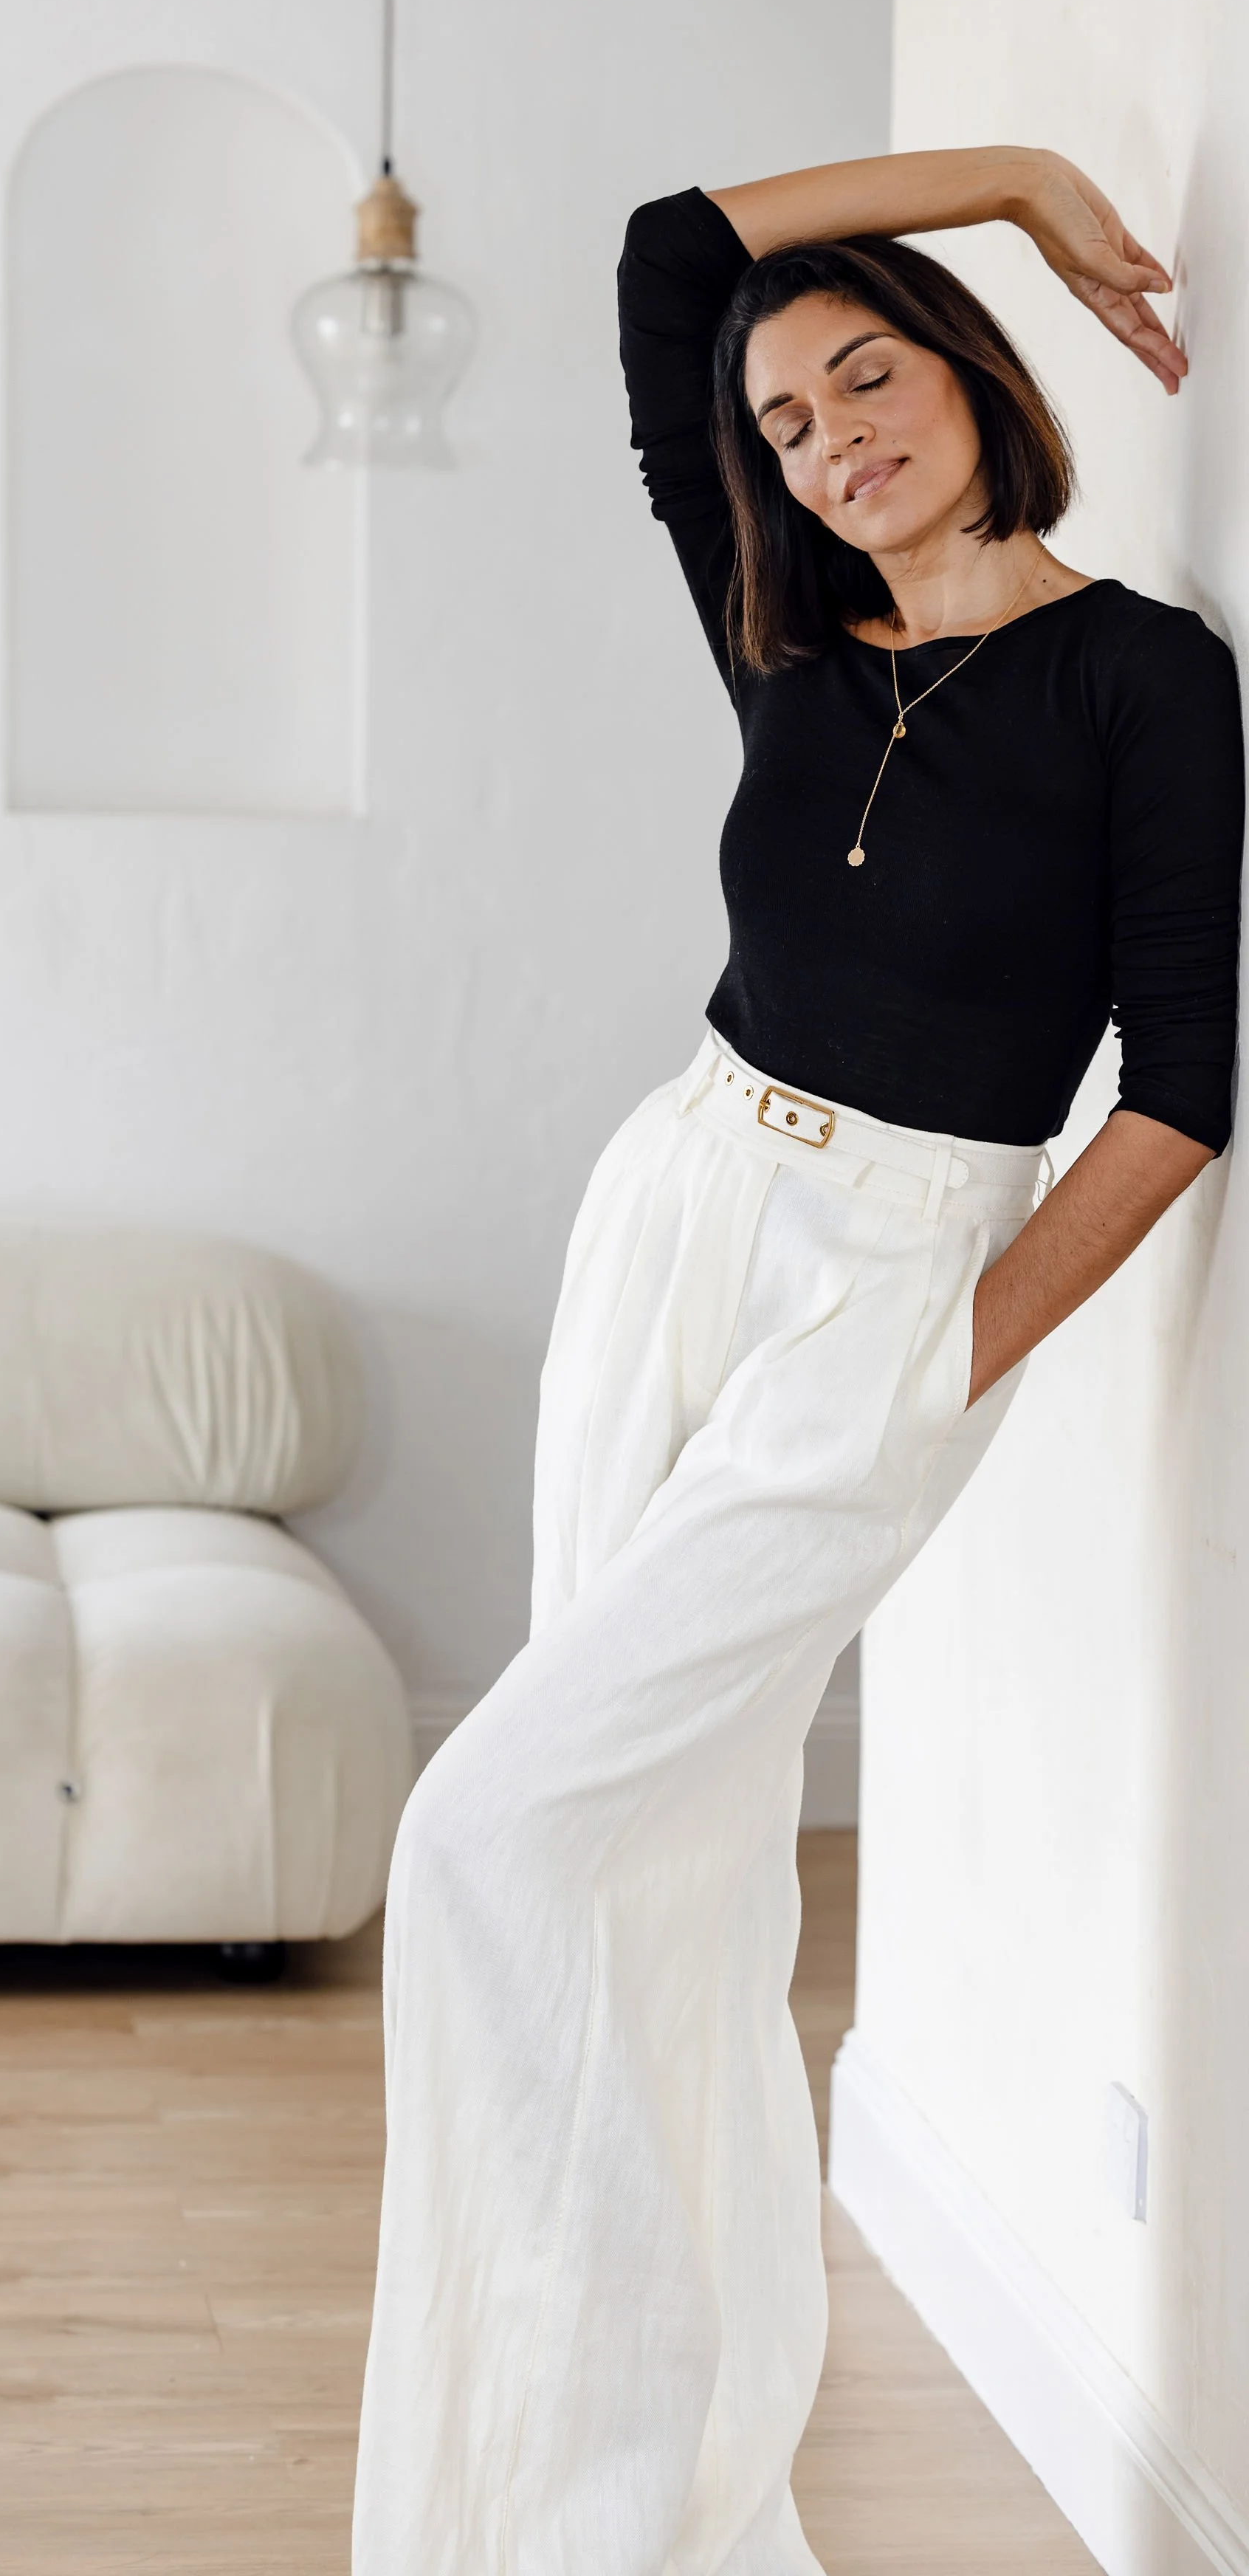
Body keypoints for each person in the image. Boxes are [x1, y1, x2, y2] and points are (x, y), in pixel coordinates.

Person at [350, 148, 1243, 2576]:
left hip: (896, 1278)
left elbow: (1181, 1087)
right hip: (672, 1214)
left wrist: (944, 1357)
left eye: (872, 375)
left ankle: (595, 2499)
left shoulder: (1143, 674)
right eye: (787, 421)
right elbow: (670, 256)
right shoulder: (786, 642)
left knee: (493, 1834)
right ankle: (631, 2517)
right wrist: (1015, 173)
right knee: (661, 1876)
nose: (835, 437)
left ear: (971, 377)